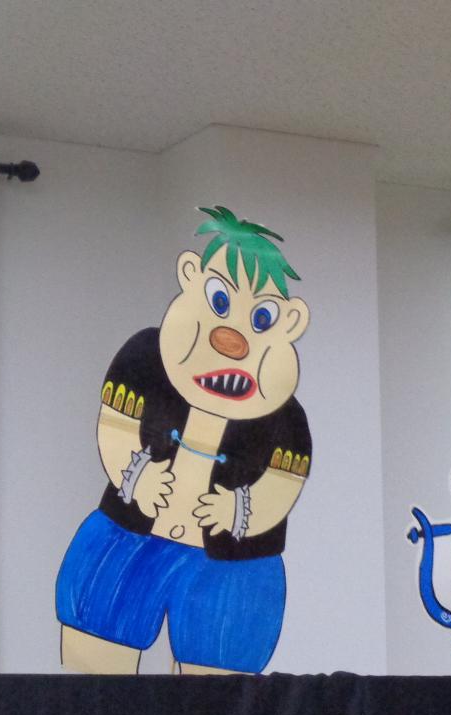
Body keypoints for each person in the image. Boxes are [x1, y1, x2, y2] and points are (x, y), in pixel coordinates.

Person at [55, 206, 312, 674]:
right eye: (220, 302)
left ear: (290, 323)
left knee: (218, 694)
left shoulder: (287, 419)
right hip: (127, 540)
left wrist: (240, 511)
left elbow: (282, 485)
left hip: (234, 569)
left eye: (261, 318)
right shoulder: (142, 361)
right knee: (94, 673)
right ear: (191, 277)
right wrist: (136, 476)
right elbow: (115, 426)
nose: (232, 338)